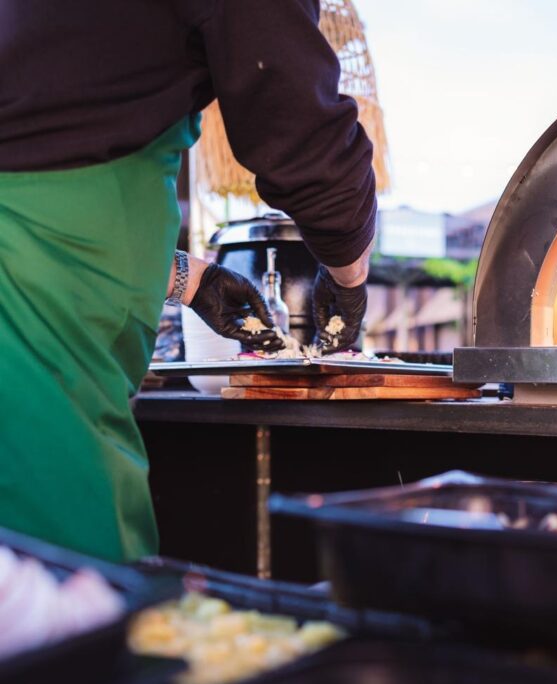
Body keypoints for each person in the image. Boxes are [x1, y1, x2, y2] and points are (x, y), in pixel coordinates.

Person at [0, 0, 376, 563]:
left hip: (37, 255)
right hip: (31, 292)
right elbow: (297, 120)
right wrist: (349, 276)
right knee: (73, 568)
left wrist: (187, 279)